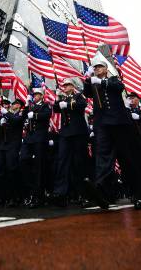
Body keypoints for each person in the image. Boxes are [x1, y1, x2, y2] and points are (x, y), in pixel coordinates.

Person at [83, 53, 141, 210]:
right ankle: (101, 190)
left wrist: (101, 81)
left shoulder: (113, 79)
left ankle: (140, 194)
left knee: (128, 159)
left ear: (106, 69)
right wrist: (87, 80)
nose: (97, 69)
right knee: (103, 157)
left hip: (119, 123)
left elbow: (119, 87)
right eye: (95, 67)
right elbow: (87, 93)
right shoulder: (93, 82)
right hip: (102, 125)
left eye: (99, 67)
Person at [51, 78, 88, 207]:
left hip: (78, 132)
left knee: (79, 162)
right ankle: (61, 193)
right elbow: (55, 109)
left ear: (73, 86)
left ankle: (83, 194)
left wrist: (68, 105)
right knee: (62, 162)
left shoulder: (78, 96)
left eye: (67, 85)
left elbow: (83, 105)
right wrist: (57, 98)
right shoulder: (62, 99)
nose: (65, 87)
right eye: (64, 85)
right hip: (65, 133)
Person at [20, 88, 52, 208]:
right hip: (29, 139)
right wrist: (27, 105)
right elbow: (24, 116)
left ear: (42, 96)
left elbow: (47, 115)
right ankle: (31, 191)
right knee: (23, 161)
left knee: (38, 166)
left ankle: (38, 196)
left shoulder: (45, 105)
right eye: (34, 95)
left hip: (39, 138)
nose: (35, 96)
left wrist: (35, 115)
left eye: (37, 94)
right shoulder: (31, 106)